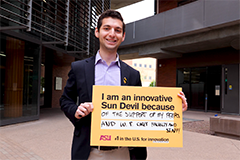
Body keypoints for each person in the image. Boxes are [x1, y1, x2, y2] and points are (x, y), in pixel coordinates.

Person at [60, 9, 188, 160]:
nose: (112, 34)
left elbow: (140, 113)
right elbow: (65, 100)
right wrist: (76, 110)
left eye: (117, 30)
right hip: (90, 152)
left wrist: (172, 111)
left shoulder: (133, 74)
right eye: (106, 28)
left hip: (123, 152)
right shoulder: (79, 68)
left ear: (123, 36)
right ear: (97, 32)